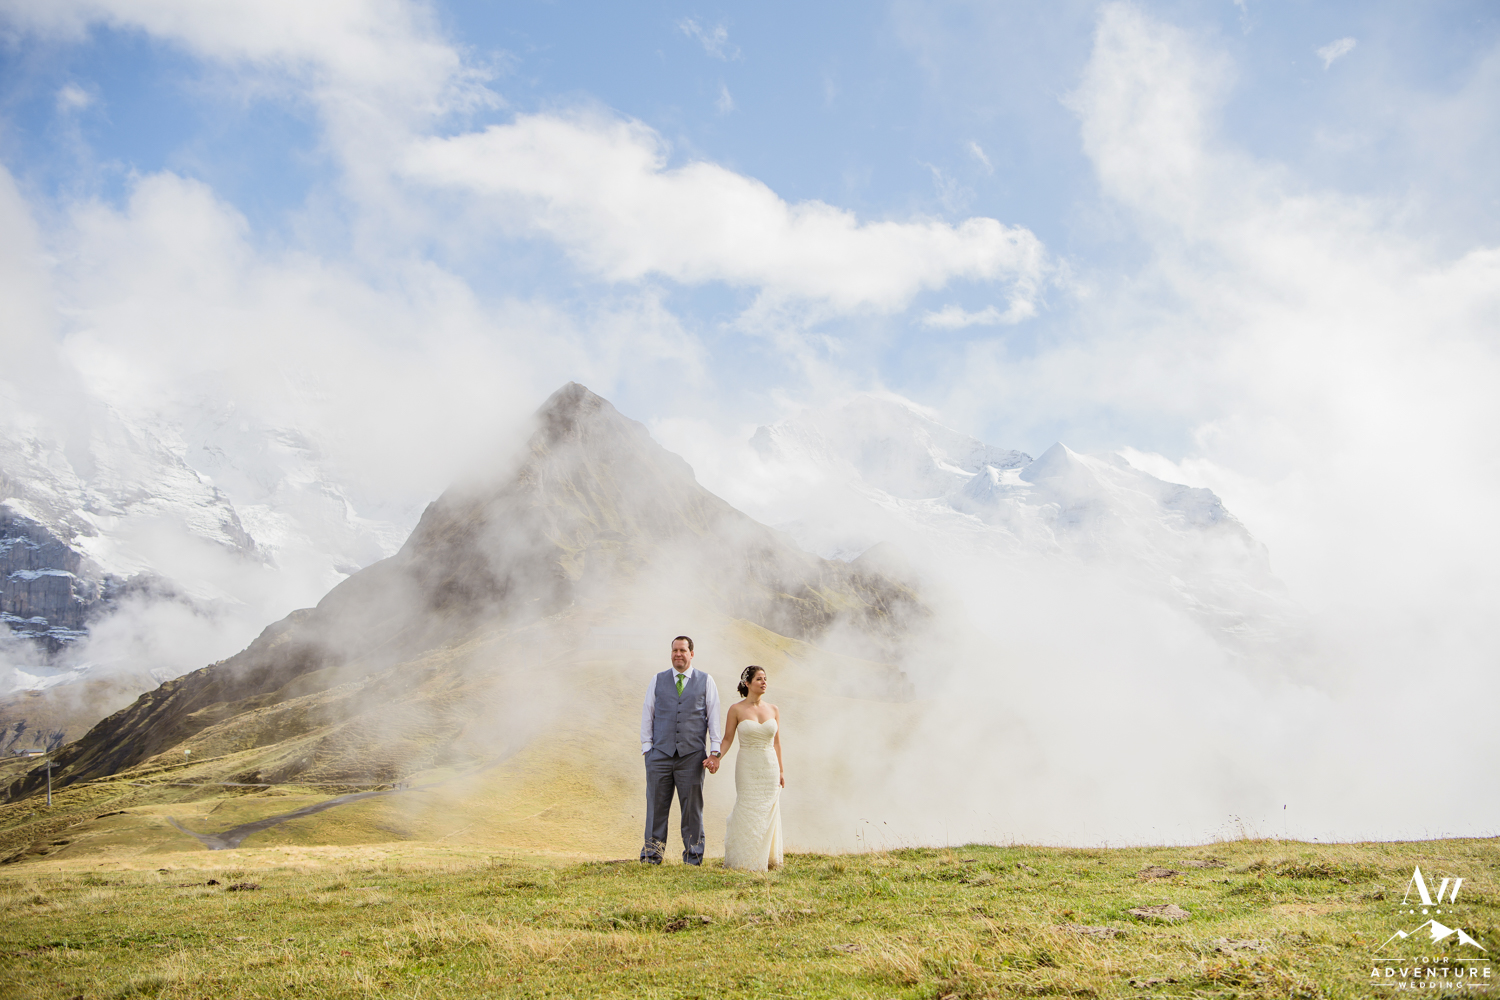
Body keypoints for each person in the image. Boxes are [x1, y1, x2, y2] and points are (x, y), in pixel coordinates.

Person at [639, 635, 722, 865]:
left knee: (692, 811)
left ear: (691, 654)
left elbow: (714, 718)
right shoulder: (657, 680)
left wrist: (715, 752)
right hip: (659, 756)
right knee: (655, 807)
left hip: (692, 757)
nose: (678, 654)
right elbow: (649, 713)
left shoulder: (706, 681)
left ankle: (693, 858)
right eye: (675, 650)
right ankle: (652, 856)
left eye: (683, 650)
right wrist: (648, 749)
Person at [717, 665, 783, 871]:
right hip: (747, 765)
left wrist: (781, 770)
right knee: (747, 807)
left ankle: (766, 858)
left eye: (765, 679)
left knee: (767, 809)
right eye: (759, 679)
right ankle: (743, 859)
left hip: (769, 766)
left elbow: (777, 743)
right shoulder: (736, 709)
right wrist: (715, 757)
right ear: (747, 684)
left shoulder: (773, 709)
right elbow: (727, 739)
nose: (764, 682)